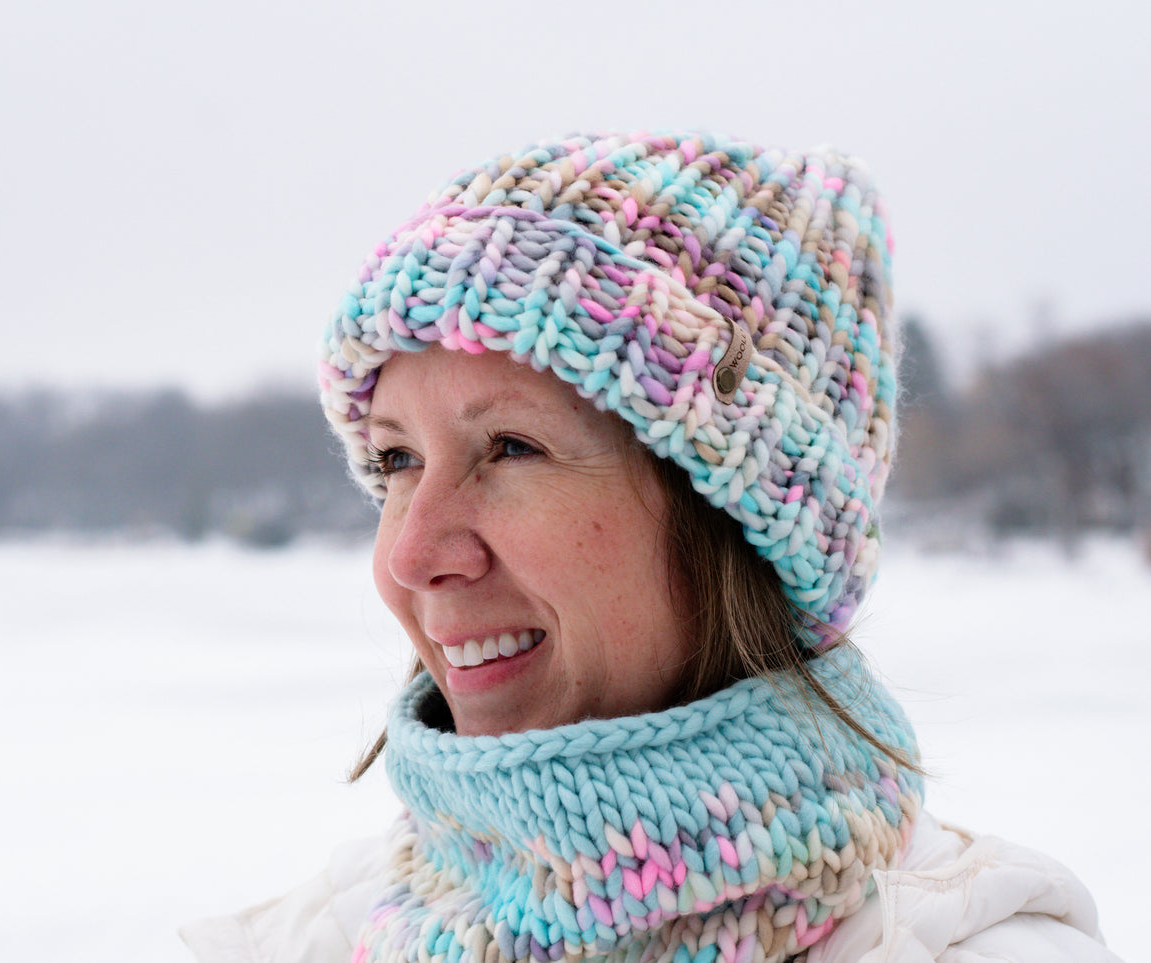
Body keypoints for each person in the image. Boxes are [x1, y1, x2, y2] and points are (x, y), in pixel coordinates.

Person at [181, 130, 1121, 962]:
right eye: (396, 459)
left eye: (510, 447)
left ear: (736, 518)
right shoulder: (324, 935)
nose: (410, 555)